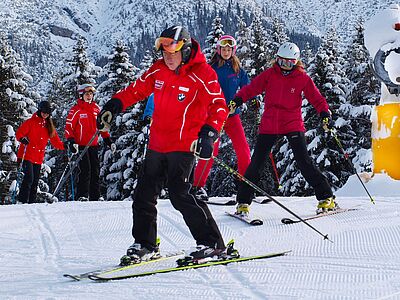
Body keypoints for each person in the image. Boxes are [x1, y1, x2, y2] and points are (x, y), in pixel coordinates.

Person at [97, 25, 230, 260]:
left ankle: (212, 243)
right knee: (143, 195)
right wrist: (114, 105)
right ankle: (145, 244)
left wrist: (210, 133)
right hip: (158, 143)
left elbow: (219, 105)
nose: (168, 58)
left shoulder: (203, 73)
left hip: (184, 145)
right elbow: (135, 90)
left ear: (186, 51)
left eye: (173, 53)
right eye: (165, 54)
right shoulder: (158, 70)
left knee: (181, 194)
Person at [229, 42, 336, 216]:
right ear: (276, 60)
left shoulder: (302, 78)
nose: (286, 66)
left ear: (296, 62)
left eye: (290, 63)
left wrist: (325, 113)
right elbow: (251, 89)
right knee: (256, 163)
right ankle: (242, 202)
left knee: (304, 161)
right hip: (270, 124)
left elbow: (317, 99)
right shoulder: (269, 75)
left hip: (292, 123)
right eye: (282, 62)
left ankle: (326, 196)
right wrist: (238, 100)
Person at [191, 35, 251, 201]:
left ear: (233, 51)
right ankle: (197, 187)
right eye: (223, 49)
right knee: (210, 151)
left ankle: (245, 187)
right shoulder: (211, 68)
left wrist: (249, 100)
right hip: (213, 117)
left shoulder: (238, 69)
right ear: (218, 50)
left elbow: (248, 88)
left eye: (229, 49)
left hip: (232, 116)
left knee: (244, 151)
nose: (226, 52)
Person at [65, 83, 115, 201]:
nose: (89, 96)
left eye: (91, 94)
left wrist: (109, 141)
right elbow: (68, 127)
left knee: (95, 171)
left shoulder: (96, 108)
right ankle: (82, 196)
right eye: (87, 94)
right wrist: (71, 142)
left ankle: (95, 197)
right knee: (85, 170)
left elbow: (102, 127)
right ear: (81, 95)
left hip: (93, 145)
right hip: (81, 146)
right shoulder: (76, 110)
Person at [15, 101, 65, 203]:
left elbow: (56, 142)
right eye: (44, 111)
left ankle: (31, 203)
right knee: (29, 178)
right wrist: (22, 139)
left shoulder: (49, 126)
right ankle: (22, 201)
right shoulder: (30, 122)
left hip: (38, 158)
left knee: (34, 182)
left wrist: (66, 146)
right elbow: (19, 133)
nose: (45, 114)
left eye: (48, 112)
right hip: (26, 155)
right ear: (40, 110)